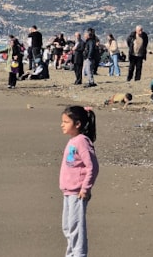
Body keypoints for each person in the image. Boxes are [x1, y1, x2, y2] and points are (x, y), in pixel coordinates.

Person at [60, 105, 99, 257]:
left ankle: (79, 254)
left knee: (76, 228)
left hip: (78, 193)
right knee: (67, 227)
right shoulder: (73, 140)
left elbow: (92, 167)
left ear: (77, 124)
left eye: (66, 122)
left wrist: (85, 188)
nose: (62, 125)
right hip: (68, 191)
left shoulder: (82, 141)